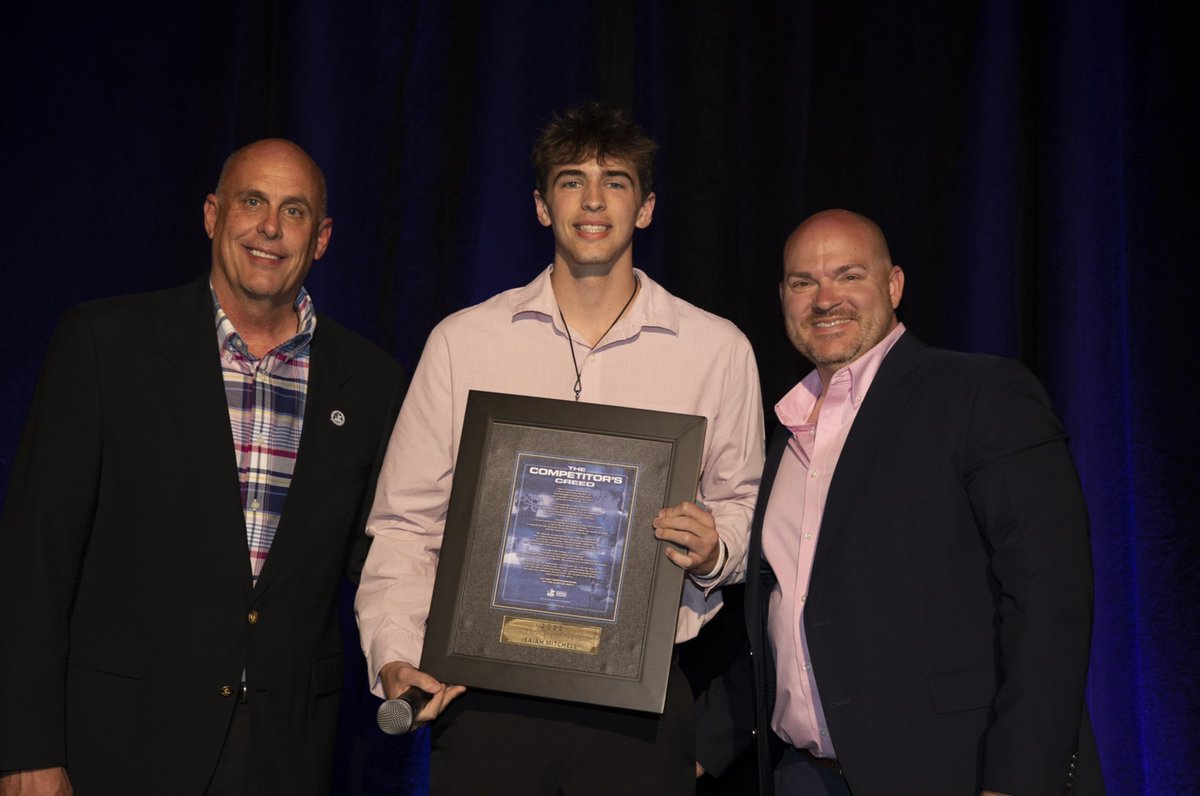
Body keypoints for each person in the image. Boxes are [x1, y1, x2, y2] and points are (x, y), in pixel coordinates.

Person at [355, 102, 764, 794]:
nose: (593, 200)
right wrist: (395, 654)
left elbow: (744, 507)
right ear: (543, 206)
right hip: (485, 697)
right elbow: (406, 525)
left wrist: (715, 547)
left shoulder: (716, 350)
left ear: (646, 208)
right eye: (572, 181)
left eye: (616, 181)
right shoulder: (464, 342)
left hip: (641, 702)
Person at [0, 139, 406, 794]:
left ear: (322, 238)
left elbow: (387, 556)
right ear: (213, 215)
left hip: (284, 754)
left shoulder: (371, 383)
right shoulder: (107, 345)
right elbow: (34, 559)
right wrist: (26, 750)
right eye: (253, 202)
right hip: (118, 745)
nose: (270, 228)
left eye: (294, 211)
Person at [694, 209, 1104, 795]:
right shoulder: (785, 435)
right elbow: (786, 623)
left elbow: (1050, 601)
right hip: (805, 777)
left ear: (893, 286)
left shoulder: (980, 395)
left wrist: (1018, 781)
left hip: (956, 773)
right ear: (782, 297)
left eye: (849, 275)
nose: (825, 299)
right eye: (804, 282)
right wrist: (692, 751)